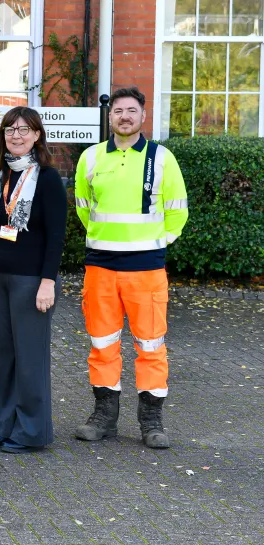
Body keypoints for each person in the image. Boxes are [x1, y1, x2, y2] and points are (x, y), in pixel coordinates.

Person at [73, 86, 188, 449]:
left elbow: (177, 210)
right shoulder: (90, 158)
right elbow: (82, 207)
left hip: (146, 271)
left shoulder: (163, 158)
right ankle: (104, 418)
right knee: (102, 344)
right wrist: (104, 240)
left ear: (143, 117)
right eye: (118, 111)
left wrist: (153, 245)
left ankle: (151, 422)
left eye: (131, 111)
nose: (124, 116)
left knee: (151, 345)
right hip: (101, 268)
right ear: (110, 117)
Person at [0, 107, 67, 454]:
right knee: (2, 356)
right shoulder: (1, 176)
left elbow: (56, 236)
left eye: (24, 130)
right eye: (10, 130)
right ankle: (5, 426)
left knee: (29, 359)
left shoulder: (47, 178)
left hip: (31, 281)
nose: (16, 136)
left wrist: (48, 282)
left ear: (37, 135)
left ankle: (31, 432)